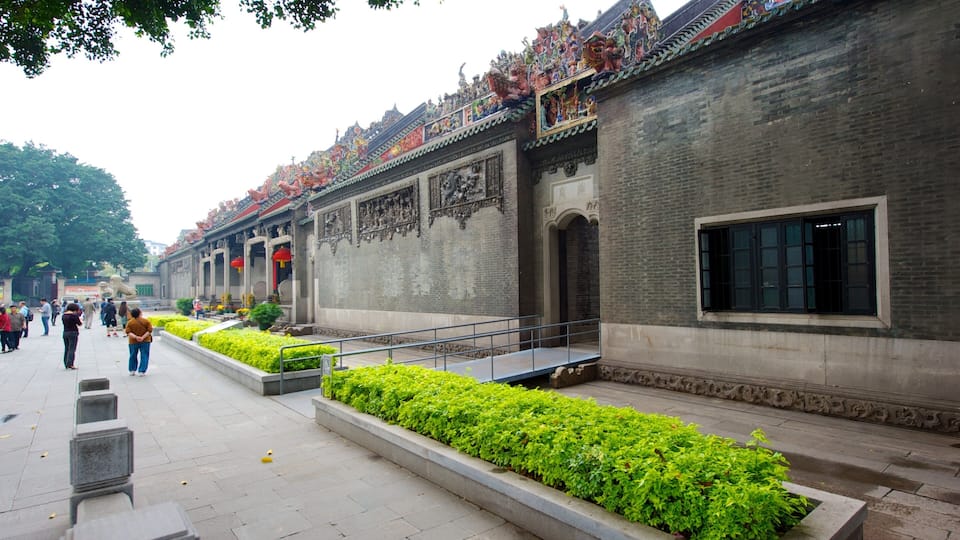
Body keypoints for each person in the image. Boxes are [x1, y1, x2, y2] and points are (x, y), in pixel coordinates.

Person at [124, 307, 153, 376]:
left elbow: (128, 332)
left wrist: (136, 337)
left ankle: (132, 370)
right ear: (140, 313)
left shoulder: (130, 322)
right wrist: (142, 337)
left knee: (133, 355)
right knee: (144, 355)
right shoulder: (146, 321)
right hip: (145, 341)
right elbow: (149, 330)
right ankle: (142, 371)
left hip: (133, 341)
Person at [61, 303, 82, 370]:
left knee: (66, 348)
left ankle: (66, 363)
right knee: (72, 349)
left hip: (65, 332)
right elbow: (79, 324)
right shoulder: (74, 316)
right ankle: (70, 364)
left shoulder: (64, 315)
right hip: (73, 332)